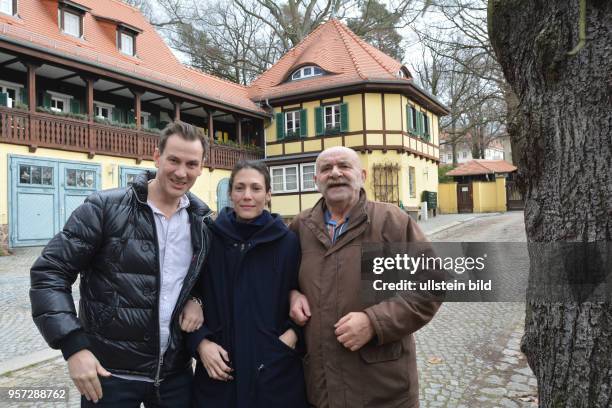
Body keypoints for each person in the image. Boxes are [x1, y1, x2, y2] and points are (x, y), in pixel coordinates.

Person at [30, 121, 210, 407]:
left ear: (201, 168)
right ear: (156, 156)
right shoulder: (104, 208)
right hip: (109, 375)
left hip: (174, 376)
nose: (181, 172)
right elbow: (50, 272)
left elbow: (202, 280)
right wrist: (73, 347)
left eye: (191, 164)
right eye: (173, 160)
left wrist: (197, 299)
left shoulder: (202, 222)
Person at [289, 146, 441, 407]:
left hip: (383, 388)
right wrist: (291, 295)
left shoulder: (391, 221)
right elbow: (282, 280)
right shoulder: (300, 227)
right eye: (326, 169)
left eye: (344, 166)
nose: (335, 173)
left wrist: (374, 322)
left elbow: (432, 284)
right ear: (316, 181)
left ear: (362, 175)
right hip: (321, 386)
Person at [187, 160, 308, 408]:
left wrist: (292, 335)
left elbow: (307, 295)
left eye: (256, 188)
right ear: (230, 193)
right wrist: (200, 341)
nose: (247, 196)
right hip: (220, 369)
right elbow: (186, 291)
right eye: (240, 188)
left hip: (273, 370)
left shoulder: (288, 243)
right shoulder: (209, 238)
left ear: (268, 194)